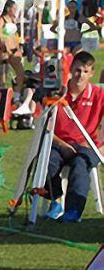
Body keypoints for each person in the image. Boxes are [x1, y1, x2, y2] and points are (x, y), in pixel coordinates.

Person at [44, 51, 103, 222]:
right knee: (47, 160)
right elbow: (44, 126)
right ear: (71, 70)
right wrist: (62, 145)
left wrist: (100, 147)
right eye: (77, 70)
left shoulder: (98, 94)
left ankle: (73, 211)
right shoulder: (58, 93)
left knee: (80, 163)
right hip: (59, 143)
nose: (80, 75)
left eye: (85, 71)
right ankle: (55, 202)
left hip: (86, 144)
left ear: (92, 73)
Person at [0, 1, 24, 91]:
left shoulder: (13, 20)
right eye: (14, 9)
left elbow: (15, 36)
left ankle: (16, 93)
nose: (15, 10)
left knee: (20, 73)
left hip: (14, 49)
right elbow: (0, 35)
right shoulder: (2, 19)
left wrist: (18, 48)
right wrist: (5, 46)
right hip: (5, 49)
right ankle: (1, 92)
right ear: (8, 9)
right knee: (3, 74)